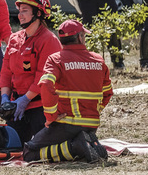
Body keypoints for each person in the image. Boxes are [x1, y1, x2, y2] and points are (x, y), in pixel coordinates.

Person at [22, 19, 111, 164]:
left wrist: (51, 116)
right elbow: (107, 92)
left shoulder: (56, 60)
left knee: (29, 153)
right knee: (67, 142)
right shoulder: (98, 60)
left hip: (66, 123)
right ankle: (80, 144)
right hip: (91, 124)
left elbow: (45, 84)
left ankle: (76, 147)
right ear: (80, 37)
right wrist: (94, 109)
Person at [0, 0, 62, 145]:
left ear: (39, 13)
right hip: (17, 106)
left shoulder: (49, 41)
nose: (20, 14)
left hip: (40, 106)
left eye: (25, 10)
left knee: (41, 147)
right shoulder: (14, 39)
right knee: (9, 145)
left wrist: (26, 99)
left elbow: (43, 76)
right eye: (19, 10)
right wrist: (5, 98)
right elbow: (6, 72)